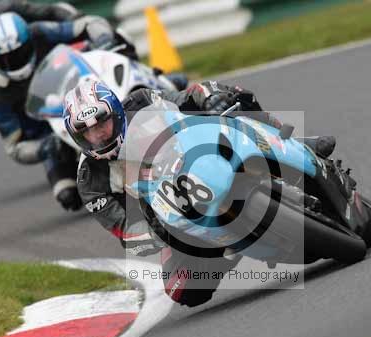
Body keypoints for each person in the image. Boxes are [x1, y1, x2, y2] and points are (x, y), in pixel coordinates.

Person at [63, 79, 337, 306]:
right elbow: (124, 229)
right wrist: (152, 233)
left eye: (102, 124)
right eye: (88, 132)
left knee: (235, 96)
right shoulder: (89, 180)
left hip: (199, 155)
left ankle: (293, 145)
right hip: (172, 217)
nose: (98, 135)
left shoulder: (141, 102)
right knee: (182, 290)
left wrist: (210, 97)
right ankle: (226, 248)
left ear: (115, 113)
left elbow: (188, 96)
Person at [0, 12, 121, 210]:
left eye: (19, 53)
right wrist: (44, 147)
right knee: (67, 195)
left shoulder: (40, 32)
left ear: (29, 40)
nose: (14, 61)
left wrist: (103, 39)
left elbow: (88, 23)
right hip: (52, 135)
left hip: (86, 100)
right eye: (5, 59)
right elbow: (14, 148)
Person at [0, 0, 138, 108]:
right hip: (21, 95)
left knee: (102, 40)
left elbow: (51, 11)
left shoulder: (14, 12)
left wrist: (75, 22)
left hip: (49, 58)